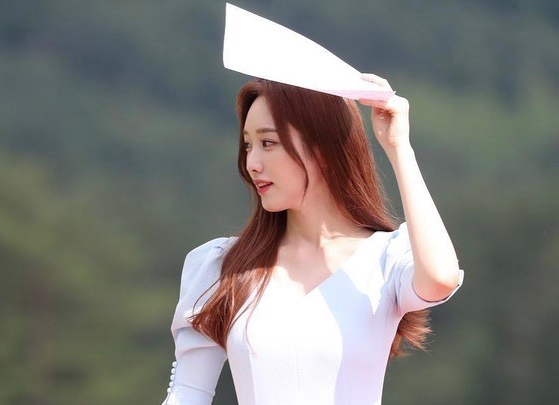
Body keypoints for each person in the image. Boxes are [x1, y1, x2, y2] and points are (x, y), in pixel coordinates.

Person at [161, 74, 464, 405]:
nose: (251, 164)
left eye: (268, 143)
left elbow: (440, 279)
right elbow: (187, 394)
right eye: (248, 145)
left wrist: (398, 147)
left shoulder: (385, 257)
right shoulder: (223, 266)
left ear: (322, 147)